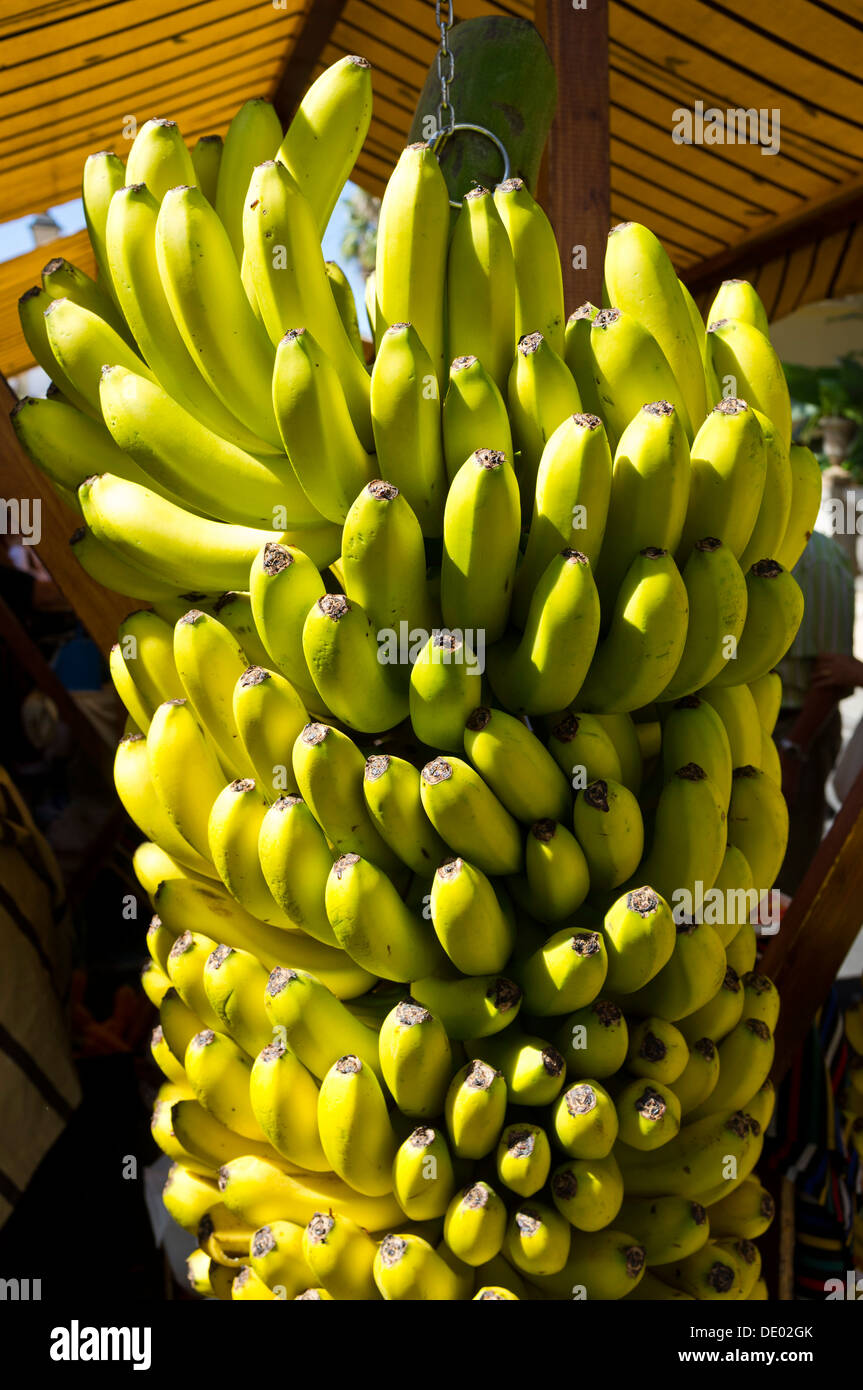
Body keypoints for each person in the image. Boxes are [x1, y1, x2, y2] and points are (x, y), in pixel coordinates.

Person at [774, 529, 855, 895]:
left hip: (797, 727)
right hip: (742, 723)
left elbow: (832, 675)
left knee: (786, 862)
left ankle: (772, 946)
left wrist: (794, 748)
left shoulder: (819, 560)